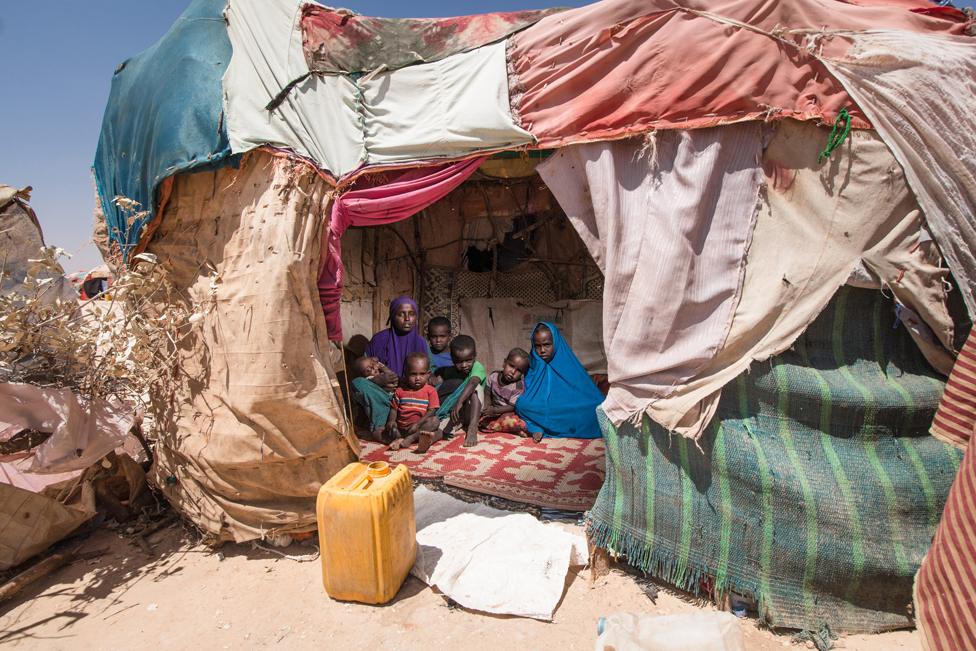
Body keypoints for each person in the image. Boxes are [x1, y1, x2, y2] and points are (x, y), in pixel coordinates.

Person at [516, 322, 603, 439]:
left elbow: (586, 391)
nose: (542, 350)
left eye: (547, 345)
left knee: (598, 407)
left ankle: (541, 426)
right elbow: (527, 392)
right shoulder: (533, 364)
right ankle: (538, 427)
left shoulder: (566, 360)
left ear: (556, 342)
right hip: (542, 407)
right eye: (537, 346)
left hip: (564, 406)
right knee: (522, 405)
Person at [430, 335, 486, 450]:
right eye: (459, 362)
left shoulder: (477, 367)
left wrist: (459, 402)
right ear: (452, 359)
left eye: (468, 360)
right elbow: (438, 377)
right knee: (444, 426)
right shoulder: (452, 370)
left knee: (475, 388)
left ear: (475, 356)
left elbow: (472, 383)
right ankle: (431, 438)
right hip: (458, 412)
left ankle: (472, 428)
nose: (464, 365)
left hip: (474, 409)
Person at [386, 353, 441, 452]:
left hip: (419, 427)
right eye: (413, 374)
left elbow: (432, 411)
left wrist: (418, 424)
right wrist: (392, 421)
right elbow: (394, 409)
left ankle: (412, 439)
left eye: (422, 374)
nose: (418, 378)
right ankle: (404, 439)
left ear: (428, 374)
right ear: (406, 374)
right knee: (385, 431)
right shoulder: (400, 391)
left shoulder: (431, 390)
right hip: (402, 428)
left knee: (435, 422)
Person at [364, 296, 429, 376]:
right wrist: (379, 381)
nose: (407, 319)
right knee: (358, 382)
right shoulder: (379, 340)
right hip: (384, 387)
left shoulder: (421, 342)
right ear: (392, 317)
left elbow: (429, 370)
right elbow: (364, 369)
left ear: (416, 317)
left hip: (415, 386)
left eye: (411, 314)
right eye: (401, 314)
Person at [480, 348, 533, 439]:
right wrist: (487, 407)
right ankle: (500, 426)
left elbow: (512, 406)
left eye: (519, 370)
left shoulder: (518, 387)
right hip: (493, 410)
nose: (513, 372)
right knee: (480, 418)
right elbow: (487, 392)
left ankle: (519, 428)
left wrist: (495, 410)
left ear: (522, 374)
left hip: (507, 412)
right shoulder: (494, 376)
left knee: (511, 421)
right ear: (504, 363)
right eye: (511, 366)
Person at [350, 356, 398, 441]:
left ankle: (392, 431)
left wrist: (381, 366)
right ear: (363, 375)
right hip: (381, 403)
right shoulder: (368, 379)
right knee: (357, 383)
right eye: (368, 370)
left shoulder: (381, 372)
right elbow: (370, 382)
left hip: (393, 401)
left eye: (372, 365)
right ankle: (380, 432)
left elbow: (392, 376)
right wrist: (379, 381)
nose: (373, 369)